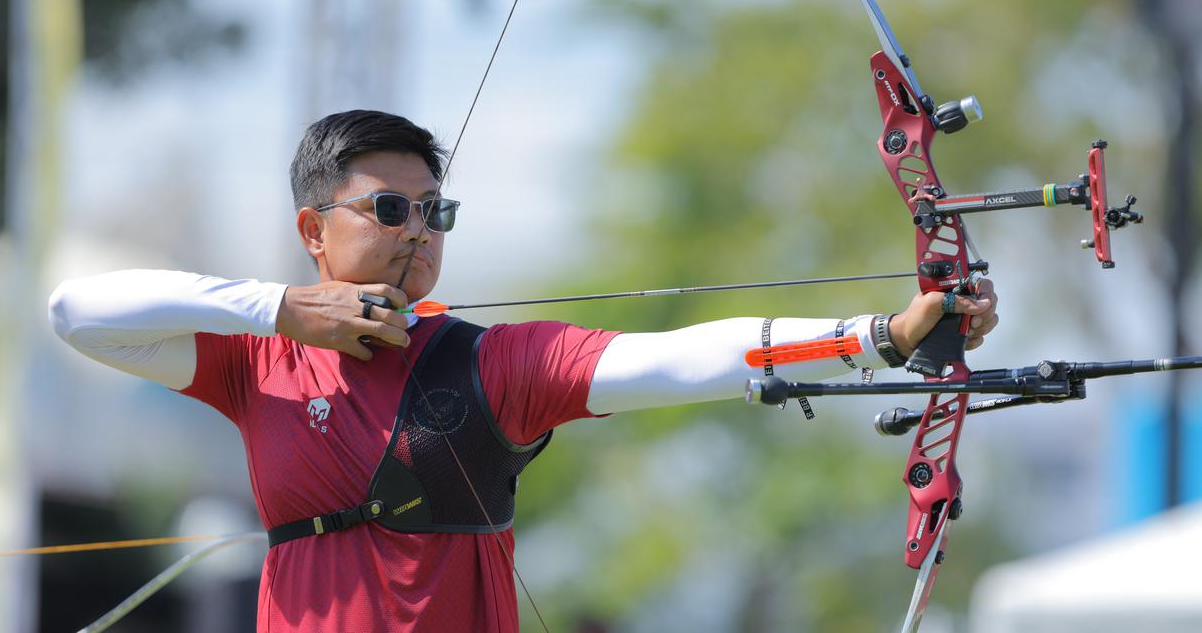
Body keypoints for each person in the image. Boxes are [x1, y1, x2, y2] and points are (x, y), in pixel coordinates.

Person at [48, 110, 998, 632]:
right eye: (389, 209)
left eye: (434, 213)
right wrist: (279, 307)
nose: (418, 233)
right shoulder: (255, 360)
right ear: (312, 231)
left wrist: (878, 332)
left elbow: (675, 358)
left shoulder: (492, 364)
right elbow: (77, 313)